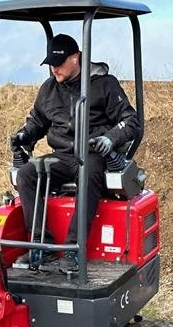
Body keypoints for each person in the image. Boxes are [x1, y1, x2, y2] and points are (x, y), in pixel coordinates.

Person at [10, 33, 141, 274]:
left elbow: (131, 121)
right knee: (27, 174)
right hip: (63, 154)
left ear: (76, 58)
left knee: (87, 170)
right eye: (50, 64)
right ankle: (43, 245)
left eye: (58, 64)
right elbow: (36, 122)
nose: (54, 69)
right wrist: (23, 136)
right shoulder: (48, 90)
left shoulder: (104, 85)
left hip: (93, 152)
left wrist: (109, 139)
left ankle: (73, 249)